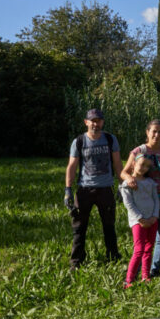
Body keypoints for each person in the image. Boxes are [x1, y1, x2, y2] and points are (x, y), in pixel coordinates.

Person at [64, 108, 122, 271]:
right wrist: (68, 190)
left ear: (103, 122)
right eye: (93, 120)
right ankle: (76, 261)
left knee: (109, 226)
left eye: (99, 120)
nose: (96, 124)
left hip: (105, 189)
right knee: (79, 228)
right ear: (86, 122)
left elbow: (118, 164)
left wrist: (122, 185)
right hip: (84, 190)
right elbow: (72, 166)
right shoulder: (79, 141)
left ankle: (113, 257)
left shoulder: (111, 140)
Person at [121, 119, 160, 277]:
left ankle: (154, 269)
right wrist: (128, 179)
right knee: (142, 238)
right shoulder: (139, 151)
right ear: (147, 132)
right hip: (144, 200)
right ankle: (136, 271)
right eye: (154, 131)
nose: (157, 134)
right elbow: (124, 171)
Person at [119, 155, 160, 288]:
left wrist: (154, 216)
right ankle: (129, 280)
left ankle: (145, 276)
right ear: (133, 164)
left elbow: (156, 200)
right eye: (142, 164)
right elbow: (128, 204)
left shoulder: (150, 182)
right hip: (138, 221)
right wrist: (140, 219)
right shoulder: (127, 185)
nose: (144, 168)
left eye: (147, 166)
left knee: (149, 248)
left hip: (152, 220)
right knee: (139, 249)